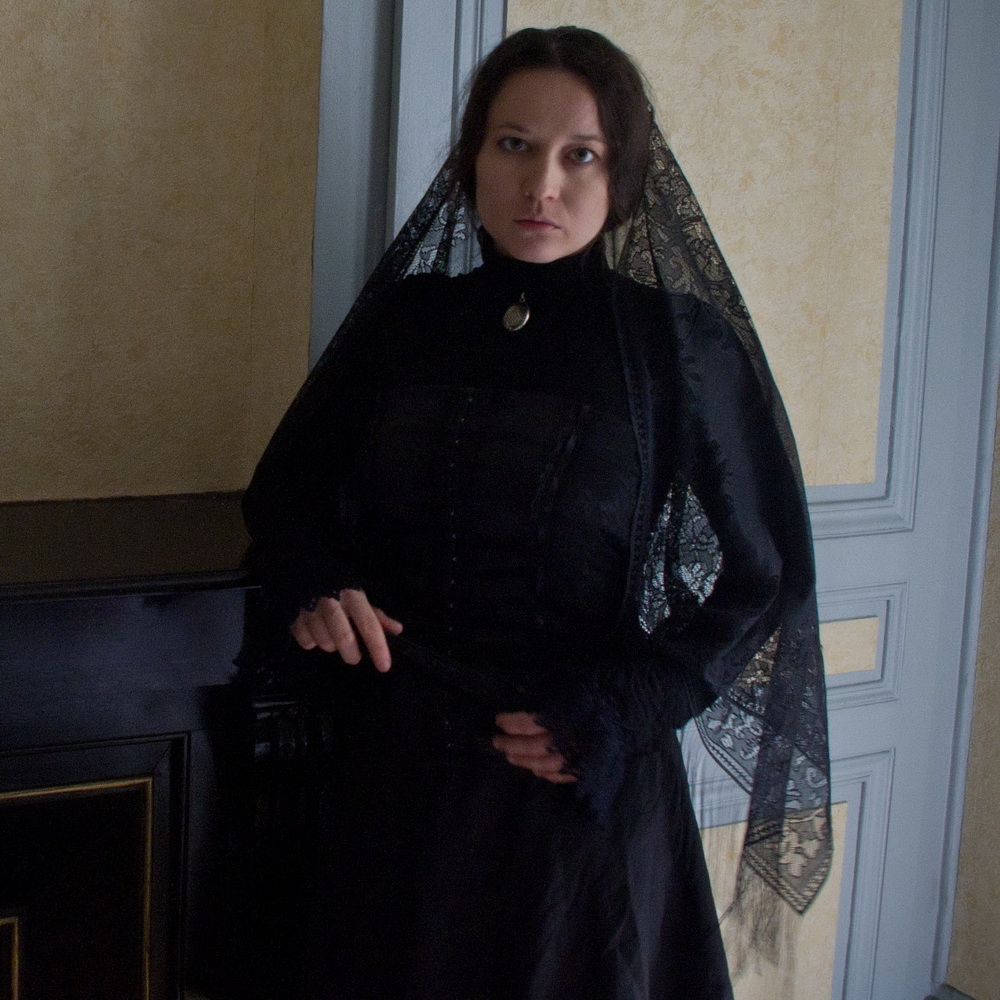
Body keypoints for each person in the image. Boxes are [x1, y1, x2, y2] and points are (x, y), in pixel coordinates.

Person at [241, 25, 832, 1000]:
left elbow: (766, 571)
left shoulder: (677, 347)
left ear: (623, 176)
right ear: (473, 156)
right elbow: (287, 490)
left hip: (575, 799)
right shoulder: (409, 321)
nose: (541, 184)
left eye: (580, 155)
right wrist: (317, 580)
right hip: (399, 782)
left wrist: (624, 705)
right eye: (513, 144)